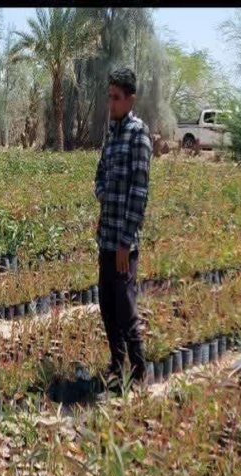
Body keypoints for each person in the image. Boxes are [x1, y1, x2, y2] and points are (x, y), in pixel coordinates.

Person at [93, 67, 152, 390]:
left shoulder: (138, 135)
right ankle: (117, 366)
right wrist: (104, 197)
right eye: (109, 96)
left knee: (126, 309)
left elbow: (139, 192)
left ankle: (140, 373)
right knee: (107, 305)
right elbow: (100, 175)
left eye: (116, 98)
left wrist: (125, 242)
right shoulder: (112, 134)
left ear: (130, 99)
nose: (111, 103)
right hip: (106, 236)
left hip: (122, 243)